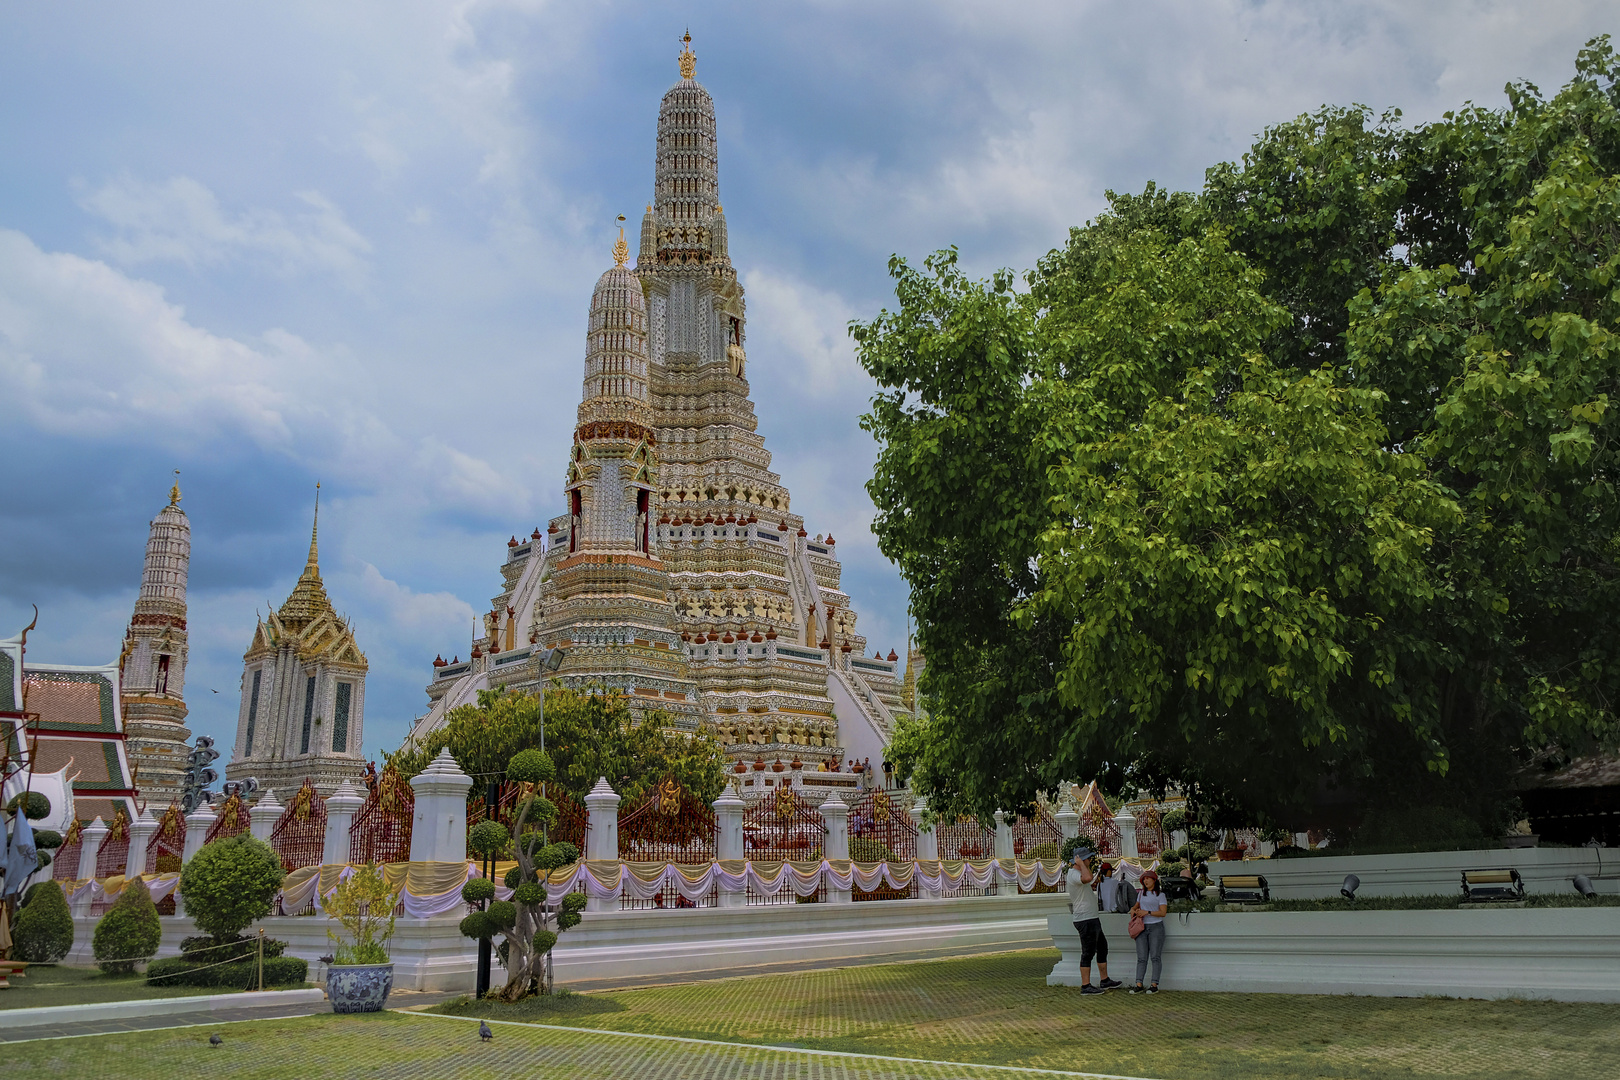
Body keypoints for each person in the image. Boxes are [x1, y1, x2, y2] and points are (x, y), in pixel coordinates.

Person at [1065, 848, 1120, 994]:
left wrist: (1083, 865)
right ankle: (1085, 985)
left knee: (1102, 948)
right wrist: (1082, 864)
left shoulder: (1080, 872)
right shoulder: (1074, 874)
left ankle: (1104, 979)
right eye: (1088, 859)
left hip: (1091, 917)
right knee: (1088, 952)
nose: (1090, 861)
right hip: (1084, 918)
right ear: (1082, 860)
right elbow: (1088, 878)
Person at [1128, 869, 1169, 994]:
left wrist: (1148, 912)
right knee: (1141, 957)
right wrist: (1133, 910)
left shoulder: (1160, 895)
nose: (1145, 881)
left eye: (1147, 878)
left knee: (1155, 956)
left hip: (1156, 926)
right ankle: (1139, 983)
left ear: (1154, 880)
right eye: (1144, 879)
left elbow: (1163, 912)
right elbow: (1136, 906)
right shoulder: (1141, 894)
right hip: (1142, 927)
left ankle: (1154, 984)